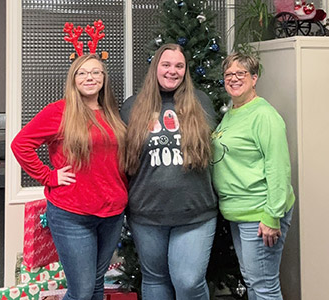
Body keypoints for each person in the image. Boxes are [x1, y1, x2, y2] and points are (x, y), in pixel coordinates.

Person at [11, 54, 127, 300]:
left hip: (112, 213)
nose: (90, 77)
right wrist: (48, 176)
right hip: (72, 214)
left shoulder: (111, 112)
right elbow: (21, 145)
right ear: (73, 79)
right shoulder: (59, 111)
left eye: (96, 72)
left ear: (104, 79)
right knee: (82, 291)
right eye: (82, 73)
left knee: (96, 284)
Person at [120, 43, 218, 300]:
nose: (172, 71)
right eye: (166, 64)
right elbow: (117, 156)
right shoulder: (132, 107)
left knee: (189, 282)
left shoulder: (202, 103)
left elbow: (220, 151)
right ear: (156, 68)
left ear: (185, 71)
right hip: (146, 215)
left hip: (195, 214)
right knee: (155, 281)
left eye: (179, 66)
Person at [211, 52, 295, 300]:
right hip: (240, 211)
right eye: (228, 74)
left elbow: (278, 166)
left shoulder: (264, 115)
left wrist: (272, 216)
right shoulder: (234, 112)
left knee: (264, 286)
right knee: (253, 281)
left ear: (254, 78)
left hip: (260, 212)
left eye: (241, 73)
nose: (233, 79)